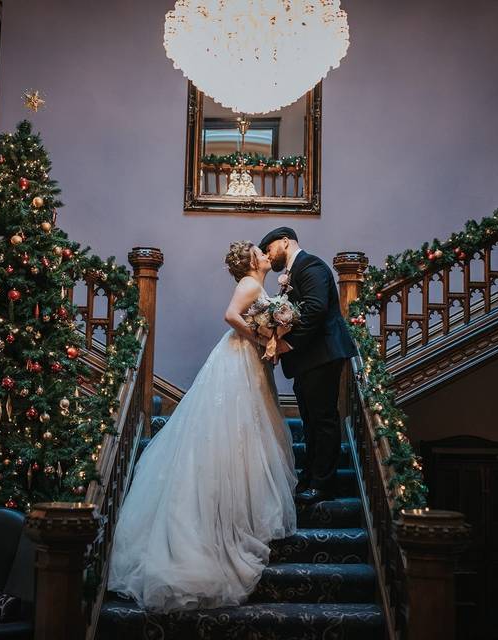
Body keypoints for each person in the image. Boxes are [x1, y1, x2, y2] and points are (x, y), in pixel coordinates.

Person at [107, 241, 297, 613]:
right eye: (260, 252)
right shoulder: (249, 283)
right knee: (235, 430)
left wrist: (272, 336)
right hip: (238, 358)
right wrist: (262, 338)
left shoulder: (259, 286)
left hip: (248, 360)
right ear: (251, 262)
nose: (265, 255)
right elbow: (230, 316)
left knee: (252, 431)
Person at [259, 227, 357, 504]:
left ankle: (324, 484)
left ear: (285, 242)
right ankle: (310, 478)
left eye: (269, 249)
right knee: (311, 421)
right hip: (308, 359)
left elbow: (315, 308)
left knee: (323, 420)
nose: (269, 255)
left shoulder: (310, 265)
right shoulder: (293, 272)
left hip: (322, 355)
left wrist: (288, 345)